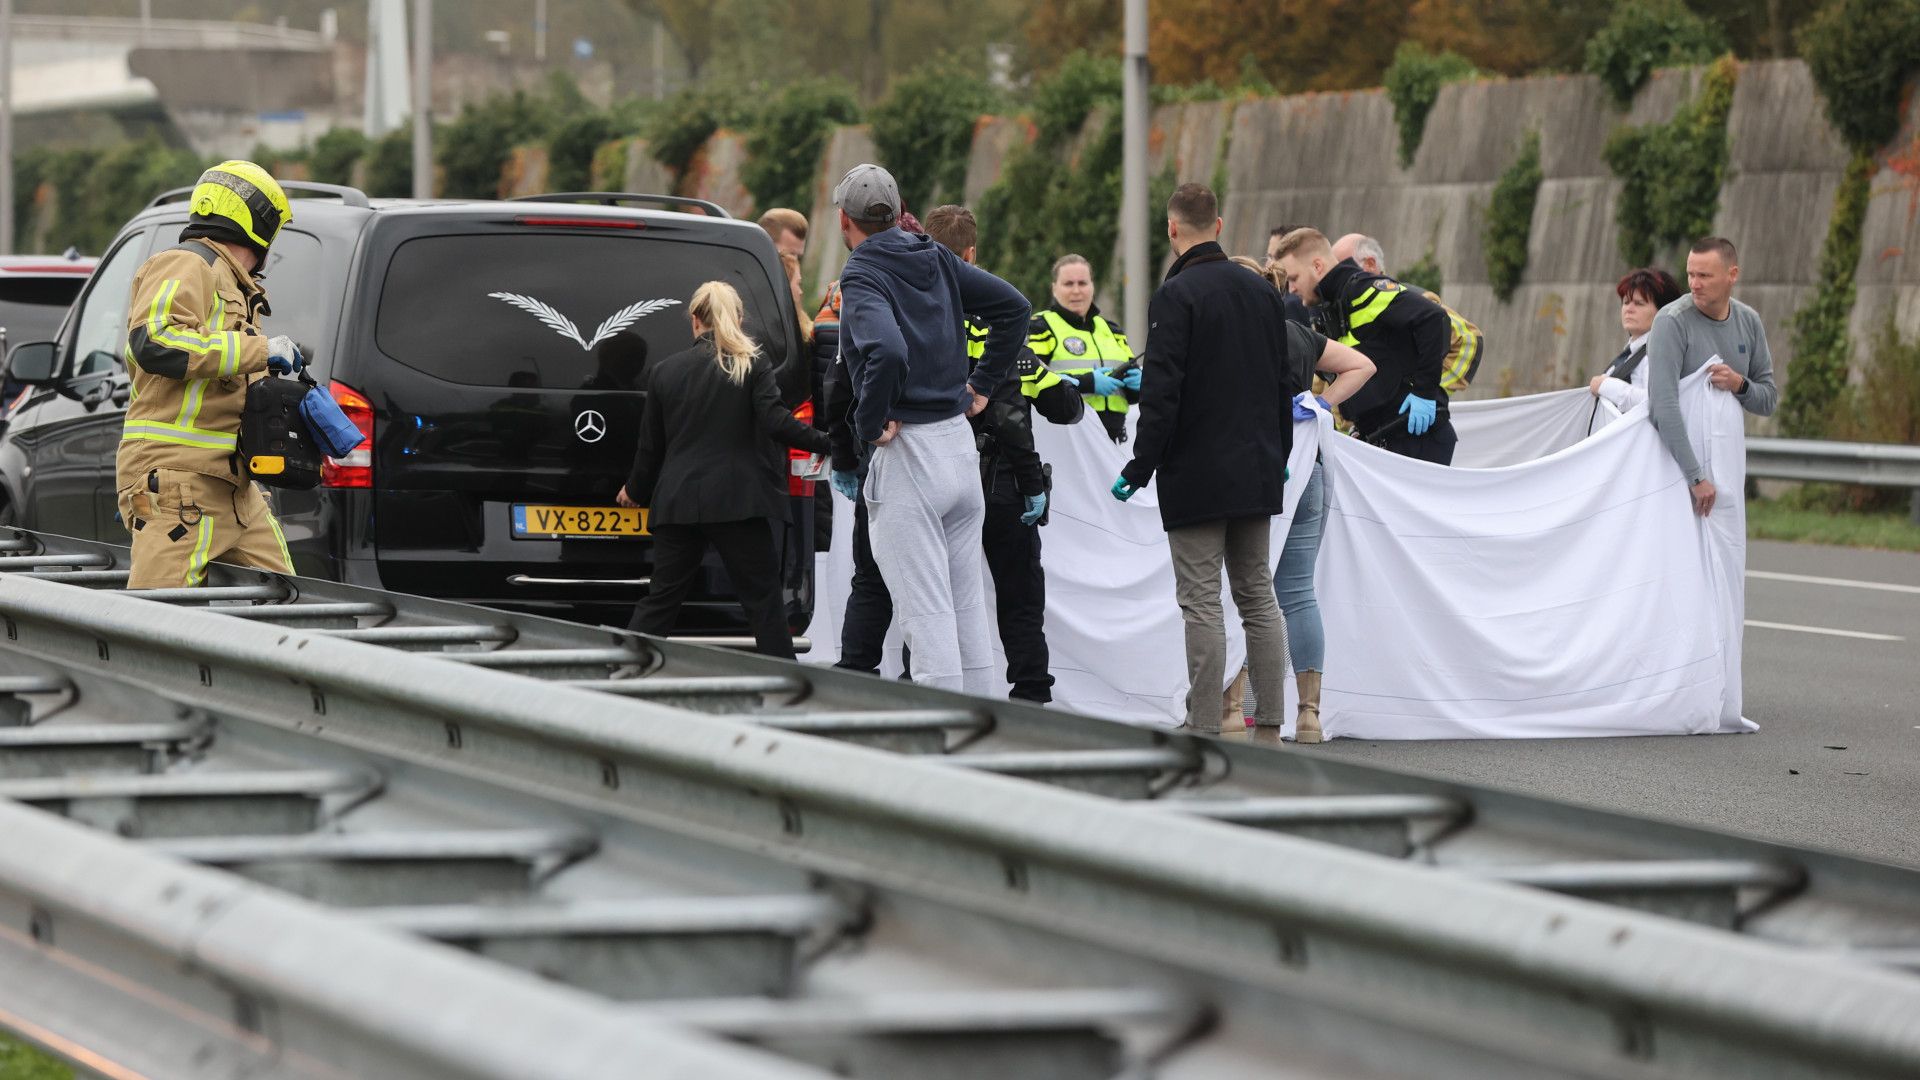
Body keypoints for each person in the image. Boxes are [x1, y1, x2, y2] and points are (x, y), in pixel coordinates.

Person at [1112, 183, 1312, 734]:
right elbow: (1282, 384)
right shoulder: (1263, 294)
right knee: (1258, 598)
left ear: (1172, 230)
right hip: (1256, 468)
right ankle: (1271, 723)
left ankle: (1205, 728)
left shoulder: (1176, 297)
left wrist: (1139, 466)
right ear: (1219, 226)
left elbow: (1162, 392)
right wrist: (1280, 454)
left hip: (1196, 474)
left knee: (1201, 603)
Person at [830, 164, 1030, 694]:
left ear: (845, 222)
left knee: (926, 614)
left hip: (911, 456)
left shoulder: (861, 273)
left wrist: (870, 422)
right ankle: (984, 726)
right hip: (958, 450)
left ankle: (939, 749)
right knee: (965, 606)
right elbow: (1015, 307)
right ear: (897, 213)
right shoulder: (934, 253)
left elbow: (887, 350)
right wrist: (981, 383)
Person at [116, 160, 304, 589]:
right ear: (259, 224)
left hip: (235, 487)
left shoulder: (237, 286)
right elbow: (156, 341)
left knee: (293, 608)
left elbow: (225, 375)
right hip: (178, 483)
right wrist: (260, 349)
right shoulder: (187, 263)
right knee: (157, 628)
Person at [617, 281, 830, 658]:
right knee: (763, 603)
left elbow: (651, 446)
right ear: (739, 318)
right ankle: (789, 685)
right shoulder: (751, 364)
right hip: (739, 503)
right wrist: (830, 443)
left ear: (695, 320)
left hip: (679, 502)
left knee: (661, 601)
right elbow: (777, 423)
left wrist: (634, 490)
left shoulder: (665, 371)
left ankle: (620, 669)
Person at [1273, 227, 1456, 465]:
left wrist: (1425, 392)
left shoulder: (1363, 289)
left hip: (1416, 435)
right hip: (1383, 437)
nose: (1292, 289)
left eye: (1294, 279)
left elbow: (1433, 318)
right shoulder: (1330, 308)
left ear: (1317, 267)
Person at [1642, 237, 1777, 517]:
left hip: (1727, 470)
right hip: (1678, 473)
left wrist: (1739, 384)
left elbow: (1768, 400)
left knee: (1728, 556)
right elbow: (1662, 407)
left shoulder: (1749, 321)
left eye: (1704, 275)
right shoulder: (1671, 322)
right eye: (1690, 274)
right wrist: (1695, 477)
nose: (1694, 284)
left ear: (1732, 275)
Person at [1329, 231, 1484, 394]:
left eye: (1341, 268)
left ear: (1370, 264)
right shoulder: (1336, 315)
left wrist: (1425, 392)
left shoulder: (1410, 300)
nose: (1334, 278)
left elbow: (1468, 341)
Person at [1028, 254, 1137, 443]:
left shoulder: (1112, 330)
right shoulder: (1040, 327)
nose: (1076, 291)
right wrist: (1088, 382)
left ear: (1092, 286)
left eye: (1083, 283)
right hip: (1069, 439)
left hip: (1115, 439)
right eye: (1068, 284)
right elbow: (1031, 378)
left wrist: (1141, 386)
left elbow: (1130, 393)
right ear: (1054, 288)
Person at [1588, 266, 1683, 406]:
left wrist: (1606, 386)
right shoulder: (1633, 352)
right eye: (1626, 302)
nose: (1629, 309)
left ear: (1663, 310)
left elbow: (1658, 403)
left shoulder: (1660, 352)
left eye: (1639, 303)